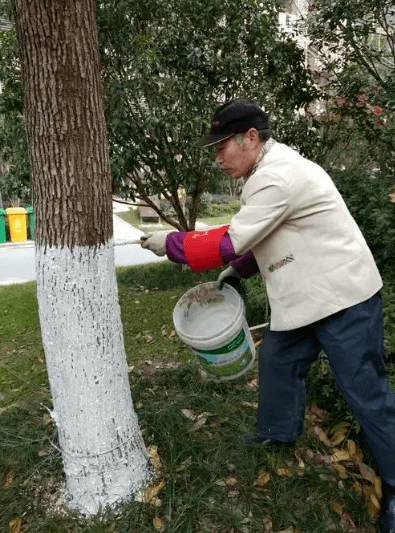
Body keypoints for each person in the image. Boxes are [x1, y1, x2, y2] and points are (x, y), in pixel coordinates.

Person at [141, 99, 395, 532]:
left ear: (252, 138)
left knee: (365, 394)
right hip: (308, 295)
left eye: (223, 147)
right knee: (278, 360)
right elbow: (273, 233)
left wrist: (171, 243)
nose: (218, 157)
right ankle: (276, 435)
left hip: (343, 299)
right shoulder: (270, 169)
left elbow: (231, 240)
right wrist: (237, 273)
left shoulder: (276, 176)